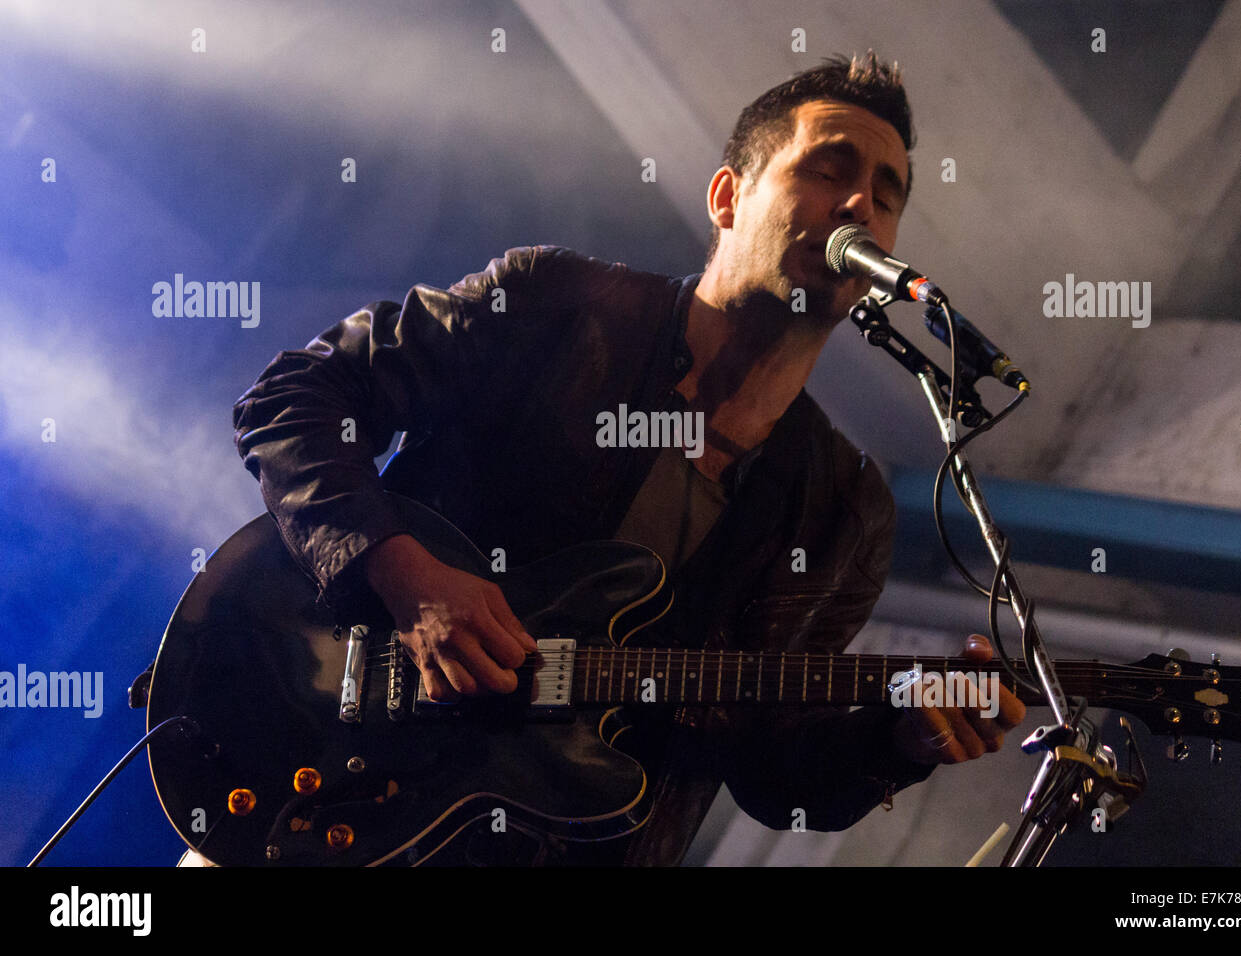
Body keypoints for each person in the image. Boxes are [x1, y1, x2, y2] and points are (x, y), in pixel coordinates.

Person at [231, 51, 1025, 866]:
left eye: (885, 197)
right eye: (829, 171)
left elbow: (774, 772)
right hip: (322, 783)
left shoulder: (845, 509)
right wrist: (408, 578)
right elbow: (295, 400)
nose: (859, 203)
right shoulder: (561, 305)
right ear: (728, 197)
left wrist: (902, 741)